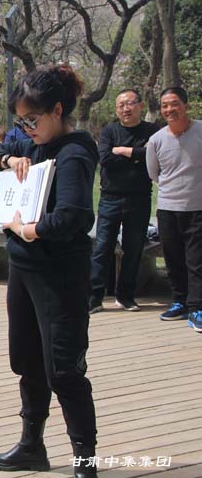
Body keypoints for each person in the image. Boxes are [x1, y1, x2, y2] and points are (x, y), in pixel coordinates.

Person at [0, 64, 100, 478]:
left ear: (58, 111)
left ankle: (86, 466)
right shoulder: (31, 142)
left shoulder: (74, 153)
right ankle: (32, 445)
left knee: (64, 370)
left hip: (60, 275)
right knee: (27, 361)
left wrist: (29, 230)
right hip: (24, 270)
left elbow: (75, 217)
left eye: (32, 120)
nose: (25, 129)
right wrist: (8, 158)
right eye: (20, 122)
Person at [89, 90, 159, 314]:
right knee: (102, 248)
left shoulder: (152, 131)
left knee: (134, 249)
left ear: (140, 106)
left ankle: (126, 296)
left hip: (139, 198)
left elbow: (153, 157)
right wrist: (137, 155)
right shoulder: (109, 131)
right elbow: (106, 159)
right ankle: (94, 297)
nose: (126, 109)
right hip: (110, 198)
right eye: (121, 105)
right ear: (116, 109)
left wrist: (124, 151)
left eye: (130, 103)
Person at [146, 87, 202, 331]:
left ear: (186, 105)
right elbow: (153, 173)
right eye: (165, 105)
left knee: (196, 261)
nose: (170, 109)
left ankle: (197, 307)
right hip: (168, 209)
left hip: (197, 208)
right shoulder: (156, 140)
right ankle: (179, 302)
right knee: (173, 258)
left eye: (175, 104)